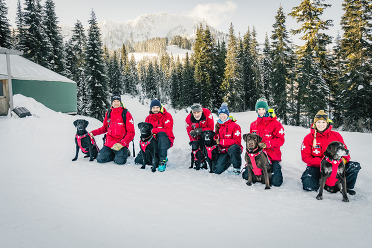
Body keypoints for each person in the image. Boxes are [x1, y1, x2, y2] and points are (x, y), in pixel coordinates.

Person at [301, 110, 361, 194]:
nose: (321, 124)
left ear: (327, 123)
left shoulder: (336, 136)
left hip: (336, 165)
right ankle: (322, 183)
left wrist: (342, 161)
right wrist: (324, 162)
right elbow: (305, 157)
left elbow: (345, 153)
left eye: (323, 122)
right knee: (308, 186)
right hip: (317, 167)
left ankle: (345, 187)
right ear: (315, 123)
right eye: (318, 122)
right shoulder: (308, 138)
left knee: (354, 166)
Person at [242, 97, 285, 187]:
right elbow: (250, 140)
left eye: (263, 109)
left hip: (272, 157)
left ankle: (276, 168)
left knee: (276, 182)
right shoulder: (253, 125)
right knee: (246, 176)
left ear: (267, 109)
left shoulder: (276, 124)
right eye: (259, 109)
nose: (261, 111)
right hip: (257, 157)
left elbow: (281, 140)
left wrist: (267, 144)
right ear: (256, 110)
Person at [90, 92, 135, 165]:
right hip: (109, 143)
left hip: (120, 144)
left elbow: (131, 133)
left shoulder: (126, 113)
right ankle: (115, 154)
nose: (116, 103)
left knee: (119, 161)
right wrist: (93, 133)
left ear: (120, 102)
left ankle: (124, 152)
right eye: (114, 101)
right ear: (112, 102)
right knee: (100, 159)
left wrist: (122, 143)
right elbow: (104, 128)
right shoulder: (108, 113)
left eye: (118, 101)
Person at [135, 99, 174, 172]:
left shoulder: (167, 116)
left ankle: (162, 160)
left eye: (157, 107)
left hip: (165, 140)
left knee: (161, 134)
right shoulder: (148, 118)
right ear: (151, 109)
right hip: (152, 141)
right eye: (153, 108)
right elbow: (146, 131)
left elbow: (167, 130)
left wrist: (154, 130)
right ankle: (155, 158)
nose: (155, 109)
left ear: (160, 107)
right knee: (138, 160)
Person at [214, 103, 243, 175]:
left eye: (224, 114)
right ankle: (228, 162)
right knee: (218, 170)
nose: (222, 116)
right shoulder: (218, 125)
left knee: (233, 148)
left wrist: (221, 141)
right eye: (220, 114)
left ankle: (236, 167)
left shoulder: (235, 126)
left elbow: (237, 142)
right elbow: (216, 138)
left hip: (233, 150)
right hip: (223, 151)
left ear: (227, 114)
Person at [185, 103, 214, 170]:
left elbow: (211, 128)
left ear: (201, 111)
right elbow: (189, 133)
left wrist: (199, 130)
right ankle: (199, 160)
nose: (196, 114)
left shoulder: (207, 113)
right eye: (194, 113)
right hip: (197, 137)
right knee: (195, 145)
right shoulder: (188, 119)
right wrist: (194, 141)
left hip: (206, 134)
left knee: (207, 142)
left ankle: (210, 157)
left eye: (198, 112)